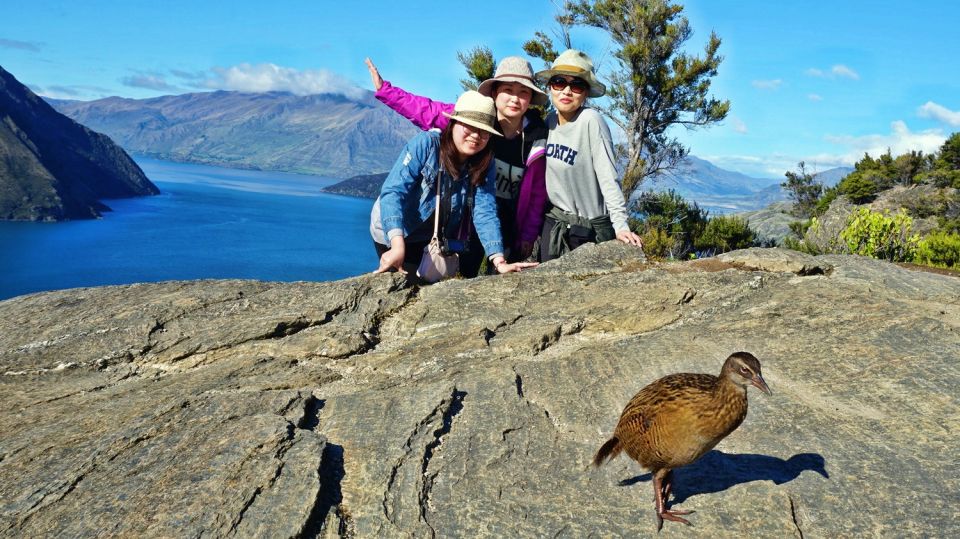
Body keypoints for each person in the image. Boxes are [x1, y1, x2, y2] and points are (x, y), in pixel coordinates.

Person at [366, 56, 549, 269]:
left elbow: (492, 204)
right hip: (412, 227)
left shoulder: (534, 138)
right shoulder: (446, 132)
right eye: (508, 90)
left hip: (487, 225)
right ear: (495, 92)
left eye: (523, 92)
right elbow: (425, 110)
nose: (515, 99)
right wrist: (387, 91)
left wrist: (505, 254)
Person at [534, 49, 644, 261]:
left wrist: (621, 226)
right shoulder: (547, 123)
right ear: (550, 87)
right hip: (554, 226)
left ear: (585, 93)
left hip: (587, 231)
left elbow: (608, 177)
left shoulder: (591, 121)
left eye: (576, 85)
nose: (566, 91)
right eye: (559, 82)